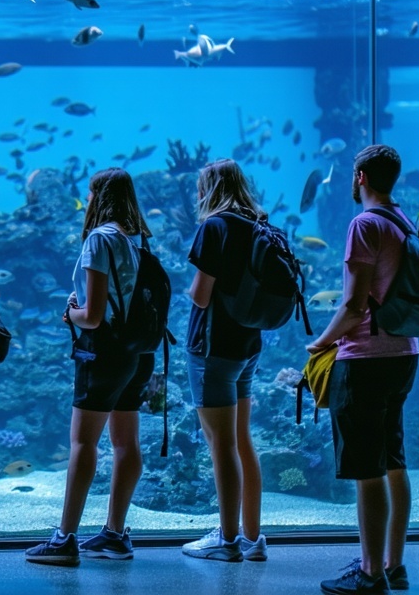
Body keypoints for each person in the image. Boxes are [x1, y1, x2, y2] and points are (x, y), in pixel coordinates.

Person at [26, 167, 154, 567]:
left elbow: (93, 315)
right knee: (126, 442)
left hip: (103, 354)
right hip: (137, 353)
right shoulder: (139, 239)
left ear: (99, 196)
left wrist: (71, 312)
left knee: (84, 442)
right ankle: (115, 534)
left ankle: (65, 539)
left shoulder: (100, 239)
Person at [306, 144, 419, 595]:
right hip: (404, 353)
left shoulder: (364, 224)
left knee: (367, 468)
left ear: (359, 178)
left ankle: (369, 574)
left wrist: (321, 342)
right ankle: (394, 564)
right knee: (393, 459)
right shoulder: (403, 221)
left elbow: (353, 305)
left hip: (367, 357)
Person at [180, 159, 267, 563]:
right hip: (248, 345)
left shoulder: (214, 227)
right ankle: (252, 536)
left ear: (208, 190)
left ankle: (227, 539)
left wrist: (184, 290)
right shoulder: (258, 226)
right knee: (242, 440)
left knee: (220, 444)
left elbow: (201, 294)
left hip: (213, 349)